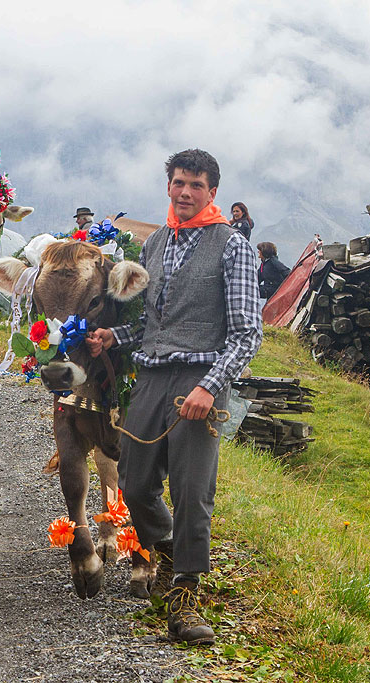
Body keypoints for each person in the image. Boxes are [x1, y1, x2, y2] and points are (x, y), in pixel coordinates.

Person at [87, 149, 262, 646]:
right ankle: (166, 551)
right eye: (178, 183)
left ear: (213, 193)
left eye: (196, 185)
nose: (185, 192)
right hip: (153, 377)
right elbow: (151, 325)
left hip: (202, 378)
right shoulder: (157, 243)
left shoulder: (233, 247)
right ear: (169, 186)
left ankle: (185, 593)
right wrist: (112, 340)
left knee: (191, 492)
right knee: (135, 483)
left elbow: (248, 333)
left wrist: (211, 385)